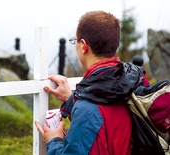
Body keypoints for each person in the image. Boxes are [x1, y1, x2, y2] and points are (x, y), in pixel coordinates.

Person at [35, 10, 149, 155]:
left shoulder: (88, 109)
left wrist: (54, 141)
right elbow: (106, 120)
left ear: (84, 45)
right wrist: (71, 99)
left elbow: (93, 117)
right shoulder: (136, 82)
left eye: (74, 40)